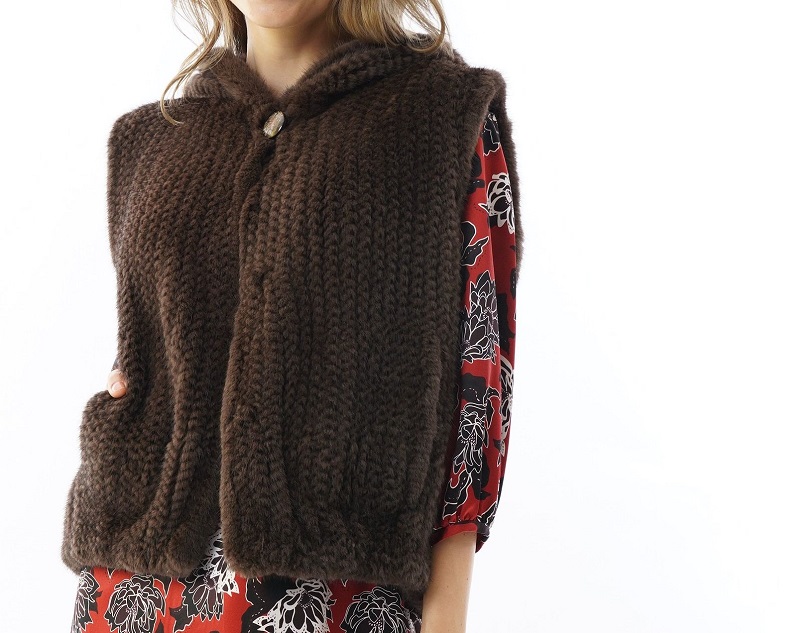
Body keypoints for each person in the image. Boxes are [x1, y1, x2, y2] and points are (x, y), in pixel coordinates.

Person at [62, 1, 522, 632]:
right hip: (133, 591)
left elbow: (478, 391)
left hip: (331, 598)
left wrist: (446, 618)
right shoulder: (152, 137)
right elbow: (150, 343)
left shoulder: (441, 115)